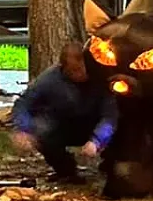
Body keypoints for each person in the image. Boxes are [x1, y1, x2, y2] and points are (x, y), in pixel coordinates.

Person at [11, 42, 116, 181]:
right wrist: (23, 129)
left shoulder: (102, 80)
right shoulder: (49, 80)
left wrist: (97, 140)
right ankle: (65, 169)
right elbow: (24, 103)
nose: (80, 74)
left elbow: (110, 115)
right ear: (63, 67)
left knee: (123, 126)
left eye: (84, 69)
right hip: (61, 123)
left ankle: (113, 165)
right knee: (41, 129)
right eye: (74, 70)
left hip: (93, 122)